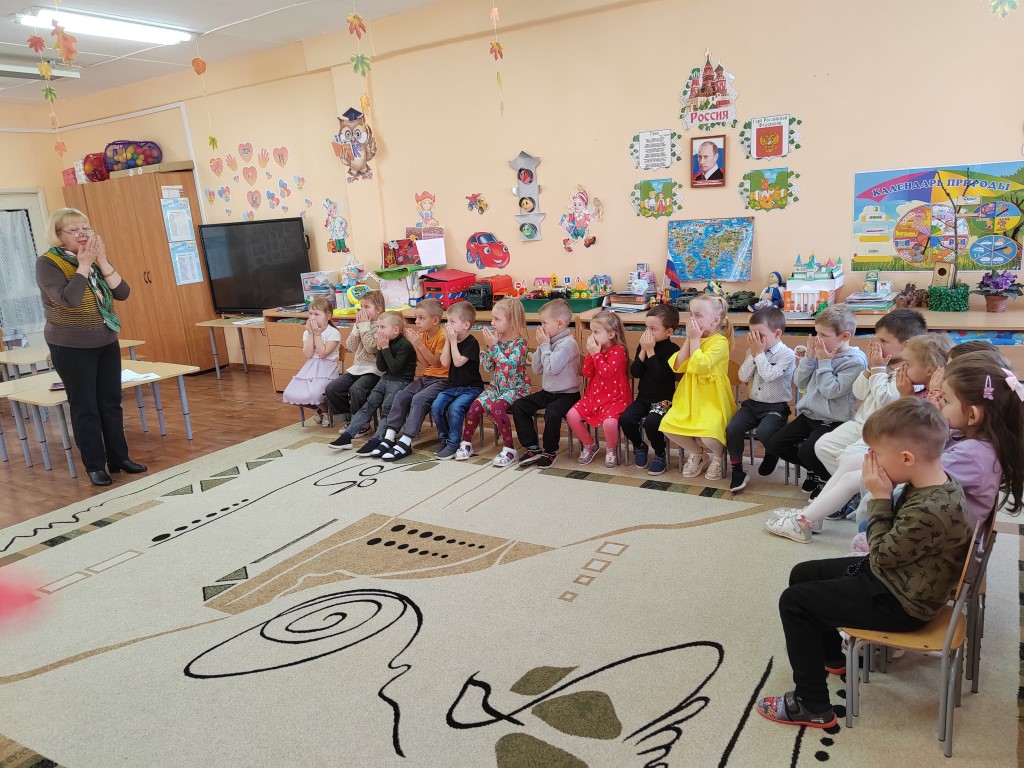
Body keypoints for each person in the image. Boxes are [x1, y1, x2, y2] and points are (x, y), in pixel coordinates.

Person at [756, 398, 971, 730]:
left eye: (876, 454)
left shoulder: (931, 510)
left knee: (794, 602)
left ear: (906, 458)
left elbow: (880, 553)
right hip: (897, 578)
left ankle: (811, 704)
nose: (870, 460)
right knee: (803, 574)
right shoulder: (933, 481)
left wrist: (880, 498)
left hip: (903, 602)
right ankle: (832, 658)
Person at [766, 333, 951, 543]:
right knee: (848, 461)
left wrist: (906, 396)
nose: (903, 368)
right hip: (897, 456)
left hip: (907, 463)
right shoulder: (914, 385)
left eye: (908, 364)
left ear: (930, 370)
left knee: (849, 475)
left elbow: (908, 428)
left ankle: (805, 520)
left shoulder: (932, 396)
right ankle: (810, 517)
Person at [35, 208, 146, 487]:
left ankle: (119, 458)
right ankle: (95, 466)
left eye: (85, 228)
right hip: (70, 345)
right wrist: (83, 265)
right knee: (86, 407)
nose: (82, 234)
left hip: (105, 339)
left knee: (111, 402)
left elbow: (122, 293)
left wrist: (102, 261)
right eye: (74, 230)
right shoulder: (47, 263)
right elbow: (69, 299)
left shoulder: (94, 260)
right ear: (58, 236)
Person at [762, 305, 867, 493]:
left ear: (845, 336)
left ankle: (828, 479)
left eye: (824, 335)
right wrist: (809, 359)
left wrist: (824, 361)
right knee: (775, 444)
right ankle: (815, 470)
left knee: (807, 450)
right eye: (816, 333)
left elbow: (831, 391)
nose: (817, 339)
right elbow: (799, 381)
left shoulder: (855, 361)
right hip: (809, 414)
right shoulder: (820, 351)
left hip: (833, 419)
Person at [660, 294, 737, 480]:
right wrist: (690, 339)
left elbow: (700, 365)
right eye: (691, 315)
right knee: (668, 426)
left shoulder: (720, 342)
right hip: (689, 397)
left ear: (715, 320)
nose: (692, 320)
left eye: (698, 315)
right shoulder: (695, 338)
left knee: (708, 436)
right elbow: (677, 365)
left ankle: (718, 456)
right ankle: (698, 453)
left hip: (712, 400)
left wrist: (694, 339)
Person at [368, 299, 449, 461]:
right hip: (427, 376)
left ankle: (406, 441)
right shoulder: (422, 335)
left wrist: (419, 345)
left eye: (421, 318)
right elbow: (425, 364)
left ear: (435, 320)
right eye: (416, 317)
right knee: (401, 395)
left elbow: (436, 363)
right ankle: (389, 437)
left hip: (443, 380)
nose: (417, 322)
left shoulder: (442, 336)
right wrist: (417, 345)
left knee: (419, 399)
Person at [726, 306, 796, 492]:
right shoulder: (753, 351)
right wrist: (754, 354)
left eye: (760, 335)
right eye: (752, 335)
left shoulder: (787, 354)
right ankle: (737, 470)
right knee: (733, 428)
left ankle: (772, 452)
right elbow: (742, 377)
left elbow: (769, 375)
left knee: (765, 432)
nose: (755, 340)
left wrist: (758, 354)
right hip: (752, 405)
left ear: (777, 333)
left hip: (776, 406)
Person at [455, 298, 531, 466]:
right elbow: (489, 367)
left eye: (497, 319)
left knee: (497, 408)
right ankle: (466, 443)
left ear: (511, 322)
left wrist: (494, 346)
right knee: (475, 407)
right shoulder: (496, 340)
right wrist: (489, 348)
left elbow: (508, 369)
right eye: (492, 318)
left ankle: (510, 449)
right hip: (496, 387)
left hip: (516, 388)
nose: (492, 323)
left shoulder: (521, 343)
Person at [328, 312, 415, 450]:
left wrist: (384, 348)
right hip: (386, 379)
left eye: (382, 327)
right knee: (368, 406)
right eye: (378, 327)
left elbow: (395, 369)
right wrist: (380, 349)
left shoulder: (405, 345)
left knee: (386, 409)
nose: (378, 330)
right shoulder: (386, 342)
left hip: (400, 381)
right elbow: (381, 367)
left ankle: (377, 440)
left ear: (396, 330)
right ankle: (347, 436)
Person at [511, 299, 581, 469]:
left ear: (560, 323)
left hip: (567, 395)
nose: (541, 327)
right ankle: (532, 447)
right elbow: (536, 369)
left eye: (544, 323)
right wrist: (541, 346)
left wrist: (544, 346)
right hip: (548, 392)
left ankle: (550, 451)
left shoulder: (568, 344)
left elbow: (552, 368)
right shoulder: (548, 342)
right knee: (519, 406)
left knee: (552, 413)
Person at [619, 304, 680, 476]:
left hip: (664, 400)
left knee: (651, 423)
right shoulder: (644, 346)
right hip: (643, 398)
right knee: (626, 419)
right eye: (646, 328)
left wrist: (650, 351)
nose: (648, 332)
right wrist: (643, 351)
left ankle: (660, 453)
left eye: (653, 329)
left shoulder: (673, 350)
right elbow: (635, 373)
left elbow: (659, 375)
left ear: (668, 331)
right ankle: (639, 445)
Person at [567, 312, 633, 468]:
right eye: (591, 331)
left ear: (611, 334)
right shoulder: (596, 350)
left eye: (596, 332)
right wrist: (592, 354)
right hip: (594, 396)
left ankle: (611, 450)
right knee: (572, 415)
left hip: (615, 399)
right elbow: (587, 373)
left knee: (609, 423)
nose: (592, 336)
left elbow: (606, 373)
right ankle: (589, 444)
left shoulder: (619, 351)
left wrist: (596, 354)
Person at [324, 290, 385, 433]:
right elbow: (350, 346)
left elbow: (371, 347)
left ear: (379, 310)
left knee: (357, 389)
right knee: (332, 388)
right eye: (361, 307)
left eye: (367, 307)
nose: (362, 310)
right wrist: (357, 328)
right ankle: (351, 420)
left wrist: (364, 327)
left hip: (375, 370)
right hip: (358, 368)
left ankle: (363, 424)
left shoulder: (382, 326)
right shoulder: (361, 324)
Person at [431, 302, 485, 460]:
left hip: (471, 388)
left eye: (452, 321)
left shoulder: (472, 343)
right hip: (453, 387)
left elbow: (458, 362)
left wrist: (453, 341)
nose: (447, 325)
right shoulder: (451, 340)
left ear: (466, 325)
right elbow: (445, 362)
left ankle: (454, 444)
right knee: (436, 405)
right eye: (447, 321)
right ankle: (444, 438)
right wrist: (448, 341)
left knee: (455, 408)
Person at [281, 297, 341, 425]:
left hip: (327, 368)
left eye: (317, 314)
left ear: (328, 316)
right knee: (290, 393)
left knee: (315, 394)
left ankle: (325, 412)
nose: (313, 317)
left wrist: (317, 334)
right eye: (311, 314)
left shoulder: (333, 333)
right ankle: (318, 409)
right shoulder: (307, 333)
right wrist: (310, 334)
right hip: (311, 367)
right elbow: (308, 354)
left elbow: (323, 354)